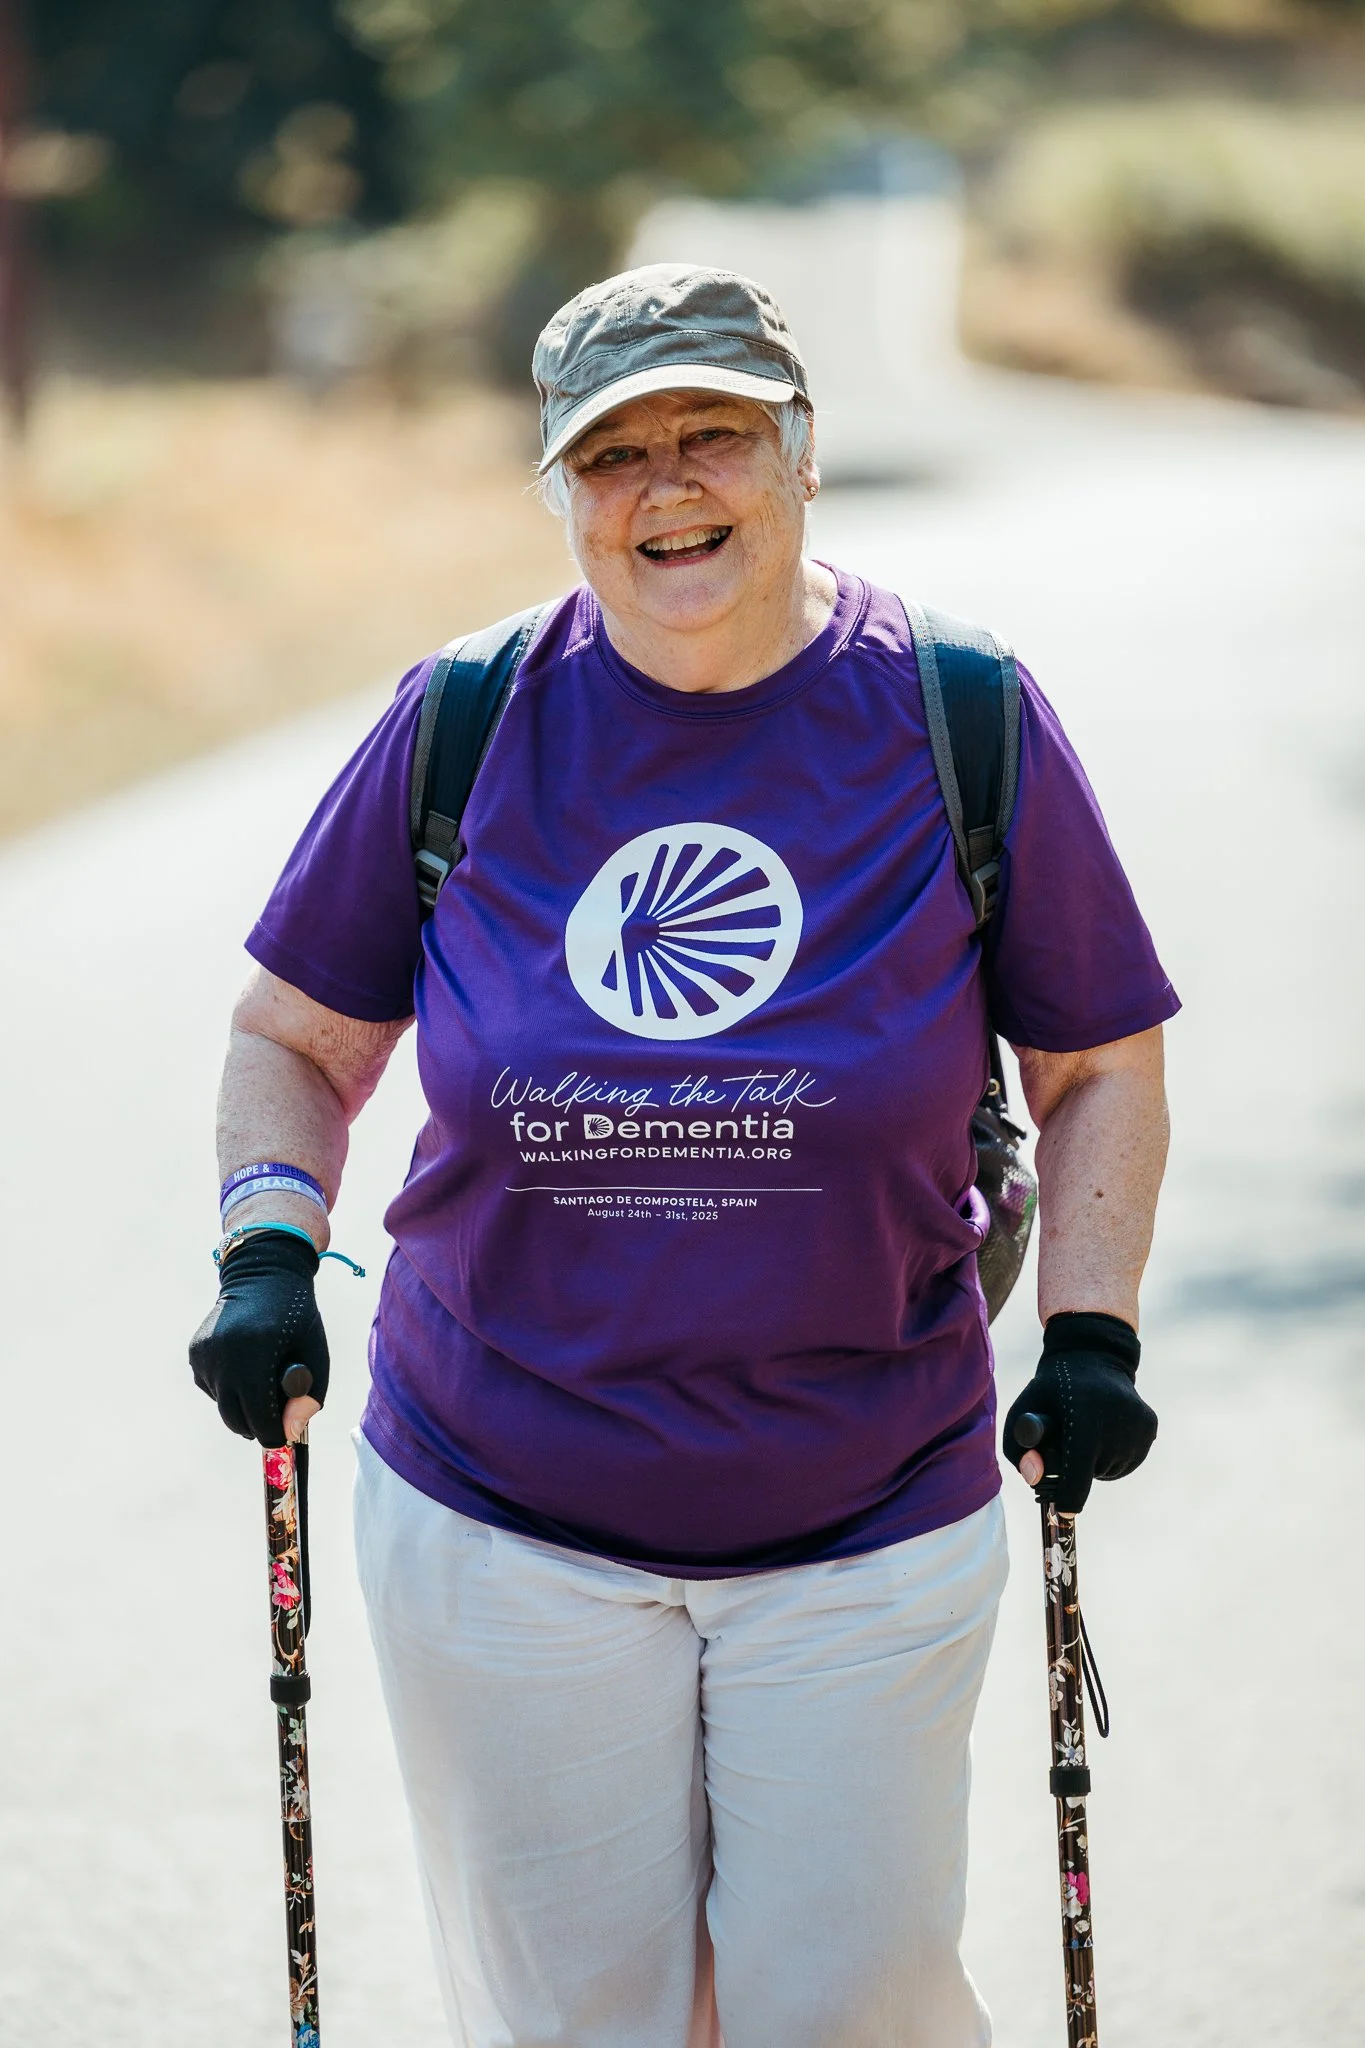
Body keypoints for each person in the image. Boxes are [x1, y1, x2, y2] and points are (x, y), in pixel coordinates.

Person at [190, 264, 1176, 2048]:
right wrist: (268, 1252)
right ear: (560, 491)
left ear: (800, 453)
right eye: (612, 452)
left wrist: (1092, 1337)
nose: (669, 486)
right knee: (581, 2023)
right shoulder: (467, 718)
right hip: (501, 1511)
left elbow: (1099, 1061)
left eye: (713, 432)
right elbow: (292, 1042)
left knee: (848, 2008)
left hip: (868, 1505)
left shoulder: (960, 714)